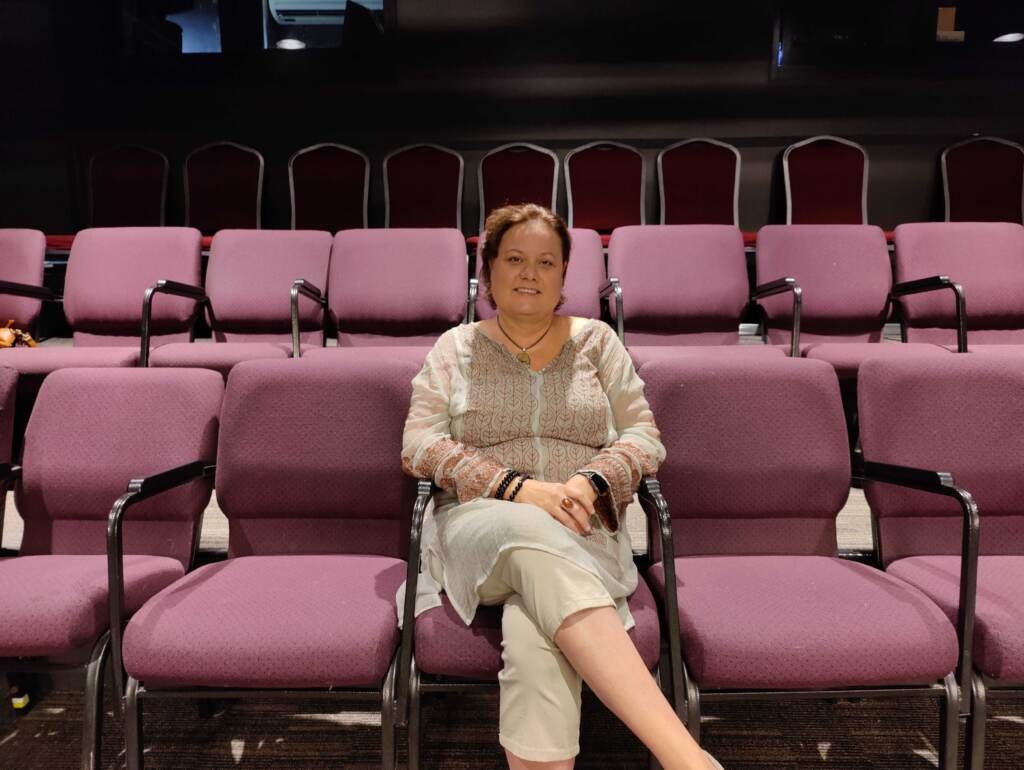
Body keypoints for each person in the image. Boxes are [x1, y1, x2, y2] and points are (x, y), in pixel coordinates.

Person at [401, 203, 722, 770]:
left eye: (546, 262)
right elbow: (419, 445)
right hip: (480, 526)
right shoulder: (455, 348)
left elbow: (644, 437)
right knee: (527, 529)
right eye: (516, 259)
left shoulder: (597, 343)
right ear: (490, 271)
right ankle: (686, 759)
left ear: (564, 275)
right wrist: (519, 489)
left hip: (584, 525)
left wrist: (589, 481)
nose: (530, 273)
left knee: (532, 635)